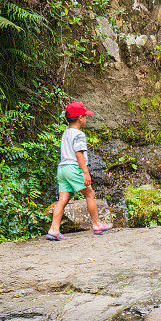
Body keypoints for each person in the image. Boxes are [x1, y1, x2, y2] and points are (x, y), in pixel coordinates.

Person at [46, 101, 112, 241]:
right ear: (80, 118)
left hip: (62, 169)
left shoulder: (66, 133)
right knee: (90, 194)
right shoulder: (79, 134)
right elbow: (78, 154)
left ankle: (54, 229)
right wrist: (86, 172)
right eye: (85, 116)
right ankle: (97, 224)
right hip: (73, 168)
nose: (86, 119)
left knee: (62, 199)